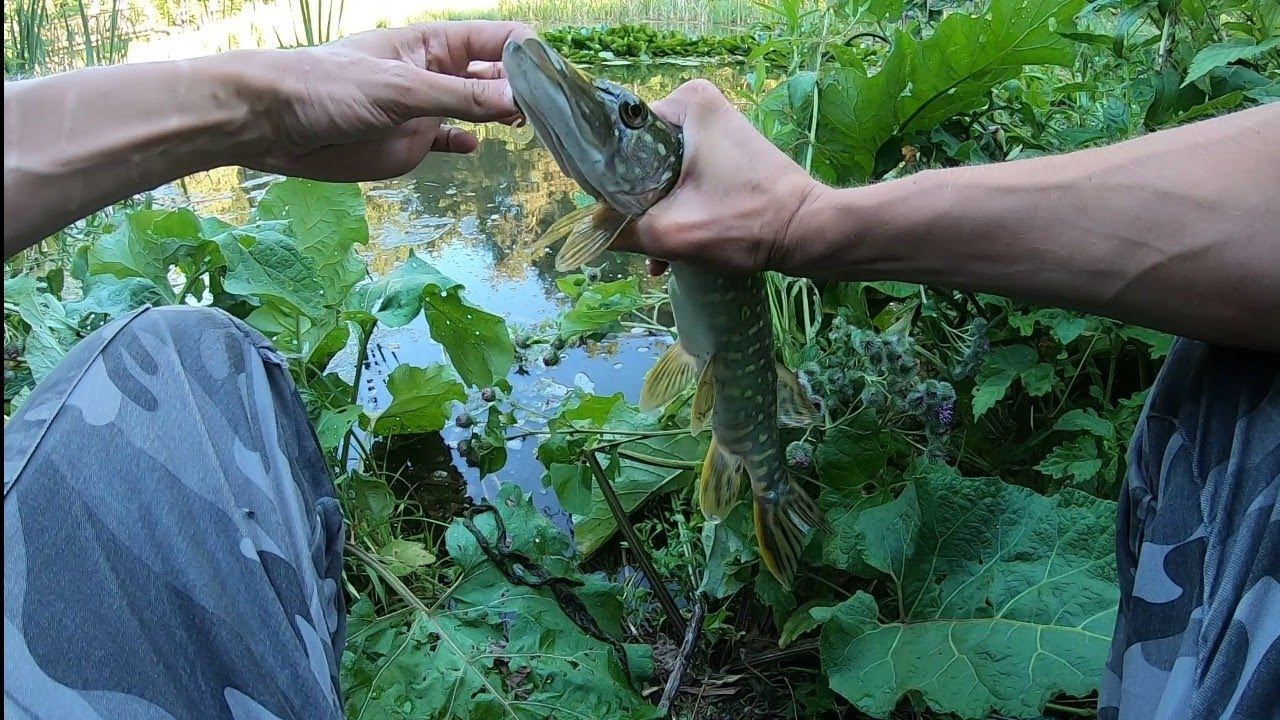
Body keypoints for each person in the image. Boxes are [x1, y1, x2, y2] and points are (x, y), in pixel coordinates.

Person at [3, 19, 1276, 720]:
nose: (596, 117)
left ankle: (761, 470)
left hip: (741, 403)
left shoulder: (679, 204)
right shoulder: (647, 193)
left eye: (622, 123)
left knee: (166, 360)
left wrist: (800, 222)